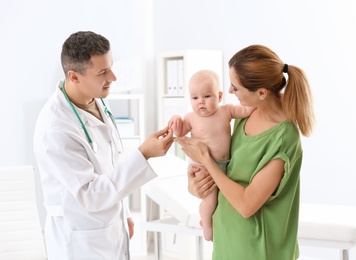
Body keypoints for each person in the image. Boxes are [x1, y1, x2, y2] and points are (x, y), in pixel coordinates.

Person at [33, 31, 174, 260]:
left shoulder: (94, 98)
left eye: (111, 67)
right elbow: (90, 194)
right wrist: (144, 154)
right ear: (74, 76)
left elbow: (110, 163)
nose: (114, 77)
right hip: (80, 240)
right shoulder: (55, 129)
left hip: (109, 224)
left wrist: (124, 212)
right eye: (102, 72)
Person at [176, 44, 315, 260]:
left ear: (261, 92)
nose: (230, 92)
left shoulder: (283, 136)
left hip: (258, 251)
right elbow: (229, 173)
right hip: (227, 242)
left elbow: (246, 205)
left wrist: (206, 160)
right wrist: (197, 186)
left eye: (236, 87)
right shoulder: (246, 116)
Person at [168, 70, 255, 241]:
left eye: (207, 96)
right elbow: (178, 132)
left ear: (220, 96)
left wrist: (257, 101)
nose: (200, 102)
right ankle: (206, 225)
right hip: (202, 167)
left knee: (228, 197)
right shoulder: (191, 118)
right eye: (194, 98)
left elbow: (245, 110)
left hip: (225, 165)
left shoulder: (227, 111)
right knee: (210, 199)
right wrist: (176, 119)